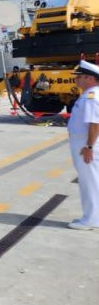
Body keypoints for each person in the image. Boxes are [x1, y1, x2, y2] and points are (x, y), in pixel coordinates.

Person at [65, 60, 99, 230]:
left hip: (86, 144)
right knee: (90, 180)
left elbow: (95, 124)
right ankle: (92, 216)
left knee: (89, 181)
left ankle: (92, 219)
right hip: (85, 142)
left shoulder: (92, 96)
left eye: (80, 77)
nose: (76, 80)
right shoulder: (89, 94)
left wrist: (89, 147)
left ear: (90, 78)